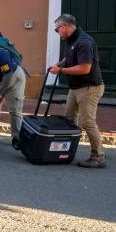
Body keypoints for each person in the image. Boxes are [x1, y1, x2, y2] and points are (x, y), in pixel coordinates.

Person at [50, 14, 105, 169]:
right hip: (75, 87)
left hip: (89, 88)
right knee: (68, 119)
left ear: (64, 27)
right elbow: (70, 57)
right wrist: (61, 63)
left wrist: (60, 70)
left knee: (87, 122)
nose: (57, 32)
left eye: (57, 29)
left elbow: (85, 68)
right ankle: (65, 150)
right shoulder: (71, 40)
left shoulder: (84, 42)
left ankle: (98, 156)